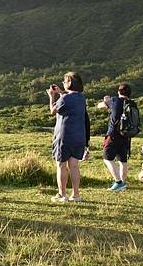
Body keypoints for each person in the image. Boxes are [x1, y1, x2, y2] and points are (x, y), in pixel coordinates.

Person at [47, 72, 87, 203]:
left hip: (64, 136)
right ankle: (76, 195)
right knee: (74, 166)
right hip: (78, 135)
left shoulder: (64, 99)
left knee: (61, 165)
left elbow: (53, 110)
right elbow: (69, 99)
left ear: (69, 83)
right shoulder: (81, 98)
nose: (63, 83)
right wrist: (61, 93)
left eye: (64, 81)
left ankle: (62, 194)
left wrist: (52, 96)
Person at [97, 83, 135, 192]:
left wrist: (107, 100)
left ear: (119, 92)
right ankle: (123, 183)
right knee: (122, 160)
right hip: (126, 135)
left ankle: (118, 182)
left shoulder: (114, 100)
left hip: (113, 134)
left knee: (107, 158)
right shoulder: (132, 104)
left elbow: (100, 106)